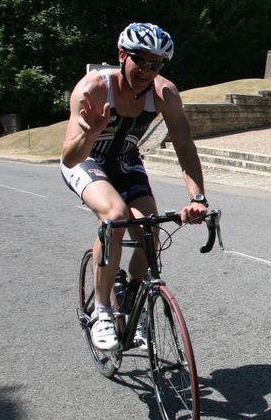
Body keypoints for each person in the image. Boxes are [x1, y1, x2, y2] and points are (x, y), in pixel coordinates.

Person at [61, 22, 208, 351]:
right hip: (87, 160)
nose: (146, 70)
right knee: (115, 215)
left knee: (149, 229)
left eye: (155, 64)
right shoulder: (94, 88)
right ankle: (101, 312)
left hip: (125, 159)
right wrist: (90, 131)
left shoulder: (164, 93)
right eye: (140, 60)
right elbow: (70, 157)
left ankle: (133, 294)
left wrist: (197, 197)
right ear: (122, 55)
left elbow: (185, 146)